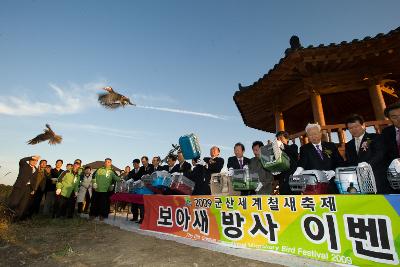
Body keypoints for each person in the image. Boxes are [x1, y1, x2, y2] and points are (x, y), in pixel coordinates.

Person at [295, 123, 344, 193]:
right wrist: (298, 171)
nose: (313, 136)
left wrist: (333, 172)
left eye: (315, 133)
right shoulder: (304, 148)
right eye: (310, 135)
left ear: (320, 133)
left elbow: (340, 162)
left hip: (333, 183)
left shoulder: (331, 146)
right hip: (315, 186)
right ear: (308, 136)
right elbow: (302, 162)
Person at [8, 155, 40, 222]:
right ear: (30, 161)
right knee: (14, 202)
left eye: (36, 161)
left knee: (23, 204)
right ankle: (8, 217)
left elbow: (35, 180)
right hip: (19, 187)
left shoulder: (36, 170)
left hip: (28, 189)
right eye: (33, 160)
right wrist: (31, 157)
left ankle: (16, 220)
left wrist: (33, 189)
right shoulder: (24, 165)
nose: (34, 162)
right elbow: (22, 160)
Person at [380, 102, 400, 193]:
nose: (399, 119)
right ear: (390, 119)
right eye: (394, 117)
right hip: (396, 177)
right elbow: (384, 154)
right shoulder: (386, 132)